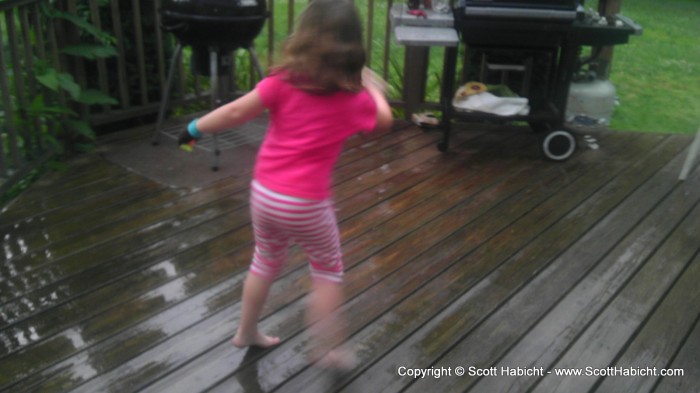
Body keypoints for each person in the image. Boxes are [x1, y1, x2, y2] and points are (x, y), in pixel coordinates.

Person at [178, 0, 392, 368]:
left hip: (264, 194)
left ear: (303, 38)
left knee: (264, 260)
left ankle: (246, 331)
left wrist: (193, 128)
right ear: (353, 48)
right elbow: (385, 121)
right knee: (327, 271)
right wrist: (374, 89)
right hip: (307, 202)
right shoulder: (353, 99)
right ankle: (328, 351)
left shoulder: (280, 83)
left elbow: (234, 112)